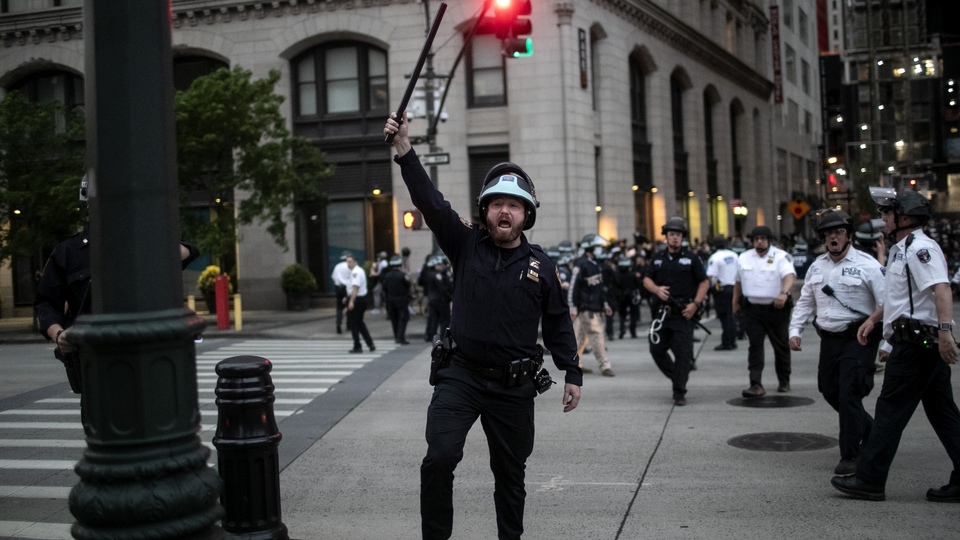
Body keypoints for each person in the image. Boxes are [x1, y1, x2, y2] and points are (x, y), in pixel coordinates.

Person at [385, 112, 582, 540]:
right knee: (439, 458)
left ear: (526, 214)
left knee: (510, 475)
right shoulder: (465, 243)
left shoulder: (542, 266)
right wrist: (404, 148)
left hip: (514, 386)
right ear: (486, 211)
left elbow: (557, 322)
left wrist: (572, 371)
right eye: (497, 204)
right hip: (461, 375)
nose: (504, 211)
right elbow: (431, 203)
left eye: (513, 205)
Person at [832, 188, 960, 502]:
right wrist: (874, 319)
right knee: (944, 414)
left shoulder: (920, 248)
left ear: (903, 218)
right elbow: (899, 299)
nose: (882, 219)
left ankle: (869, 479)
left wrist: (946, 333)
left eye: (887, 214)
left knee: (889, 411)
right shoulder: (901, 249)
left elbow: (941, 290)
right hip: (916, 341)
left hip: (917, 344)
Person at [788, 209, 885, 476]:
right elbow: (806, 301)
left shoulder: (868, 265)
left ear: (849, 236)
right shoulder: (817, 266)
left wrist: (887, 343)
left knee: (849, 391)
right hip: (829, 339)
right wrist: (795, 330)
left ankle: (850, 456)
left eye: (838, 231)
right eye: (828, 233)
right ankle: (871, 430)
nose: (833, 237)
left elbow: (887, 305)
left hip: (859, 337)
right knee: (829, 389)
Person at [643, 217, 709, 406]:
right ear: (666, 236)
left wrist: (695, 304)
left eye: (678, 235)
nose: (674, 238)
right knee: (656, 349)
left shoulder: (692, 258)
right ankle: (678, 377)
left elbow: (704, 282)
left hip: (683, 313)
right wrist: (656, 289)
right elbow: (647, 280)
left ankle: (679, 391)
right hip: (662, 314)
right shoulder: (658, 258)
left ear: (682, 237)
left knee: (682, 354)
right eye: (671, 234)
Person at [733, 225, 797, 397]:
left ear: (769, 240)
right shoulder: (744, 257)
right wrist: (735, 302)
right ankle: (756, 384)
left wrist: (784, 293)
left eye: (762, 239)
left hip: (776, 309)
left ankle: (784, 380)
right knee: (755, 346)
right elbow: (738, 282)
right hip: (752, 309)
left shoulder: (780, 256)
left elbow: (789, 276)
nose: (759, 242)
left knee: (781, 345)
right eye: (756, 239)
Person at [569, 233, 616, 376]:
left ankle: (575, 364)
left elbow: (599, 288)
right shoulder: (581, 264)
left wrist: (605, 304)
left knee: (581, 338)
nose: (599, 250)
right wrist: (573, 306)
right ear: (589, 248)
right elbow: (573, 286)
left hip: (593, 306)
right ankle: (604, 365)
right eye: (597, 247)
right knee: (597, 334)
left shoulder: (596, 265)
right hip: (586, 307)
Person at [706, 235, 739, 351]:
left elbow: (710, 275)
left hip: (722, 289)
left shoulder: (715, 258)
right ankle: (733, 340)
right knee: (732, 315)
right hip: (735, 288)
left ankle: (727, 342)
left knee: (725, 317)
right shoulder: (734, 255)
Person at [344, 253, 375, 353]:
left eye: (350, 262)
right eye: (347, 262)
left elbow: (355, 288)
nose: (348, 264)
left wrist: (351, 301)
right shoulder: (358, 271)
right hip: (360, 299)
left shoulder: (356, 272)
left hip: (358, 300)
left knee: (354, 324)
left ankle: (357, 346)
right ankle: (370, 344)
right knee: (360, 323)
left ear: (355, 262)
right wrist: (347, 297)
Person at [380, 253, 412, 344]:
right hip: (401, 299)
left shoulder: (387, 276)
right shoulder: (402, 275)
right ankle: (400, 337)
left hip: (390, 300)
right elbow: (408, 285)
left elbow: (384, 288)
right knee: (403, 318)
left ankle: (396, 336)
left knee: (394, 318)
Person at [423, 255, 453, 342]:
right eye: (439, 265)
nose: (441, 266)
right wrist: (450, 297)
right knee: (444, 320)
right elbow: (442, 288)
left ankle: (432, 336)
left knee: (433, 319)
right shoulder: (437, 275)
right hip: (441, 300)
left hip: (432, 300)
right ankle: (443, 337)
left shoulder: (429, 274)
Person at [330, 250, 353, 334]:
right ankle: (349, 325)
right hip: (347, 288)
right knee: (349, 307)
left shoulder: (337, 266)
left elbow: (333, 277)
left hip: (339, 288)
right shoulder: (350, 266)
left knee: (339, 307)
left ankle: (338, 324)